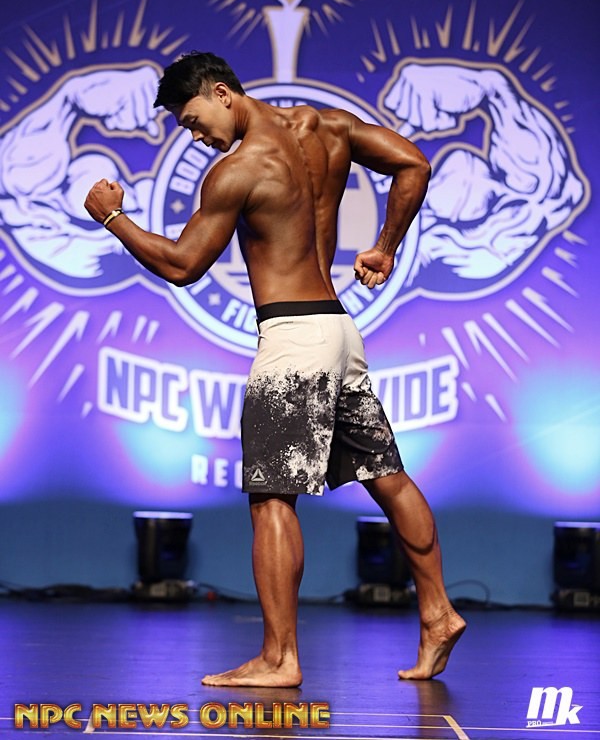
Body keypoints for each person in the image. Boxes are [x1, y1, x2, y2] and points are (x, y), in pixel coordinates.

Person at [84, 51, 466, 687]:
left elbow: (182, 264)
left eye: (192, 120)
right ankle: (438, 613)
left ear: (222, 93)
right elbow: (414, 164)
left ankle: (279, 657)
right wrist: (385, 247)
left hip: (292, 341)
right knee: (388, 478)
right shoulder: (327, 127)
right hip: (339, 333)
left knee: (270, 499)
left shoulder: (239, 170)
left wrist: (113, 218)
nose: (196, 136)